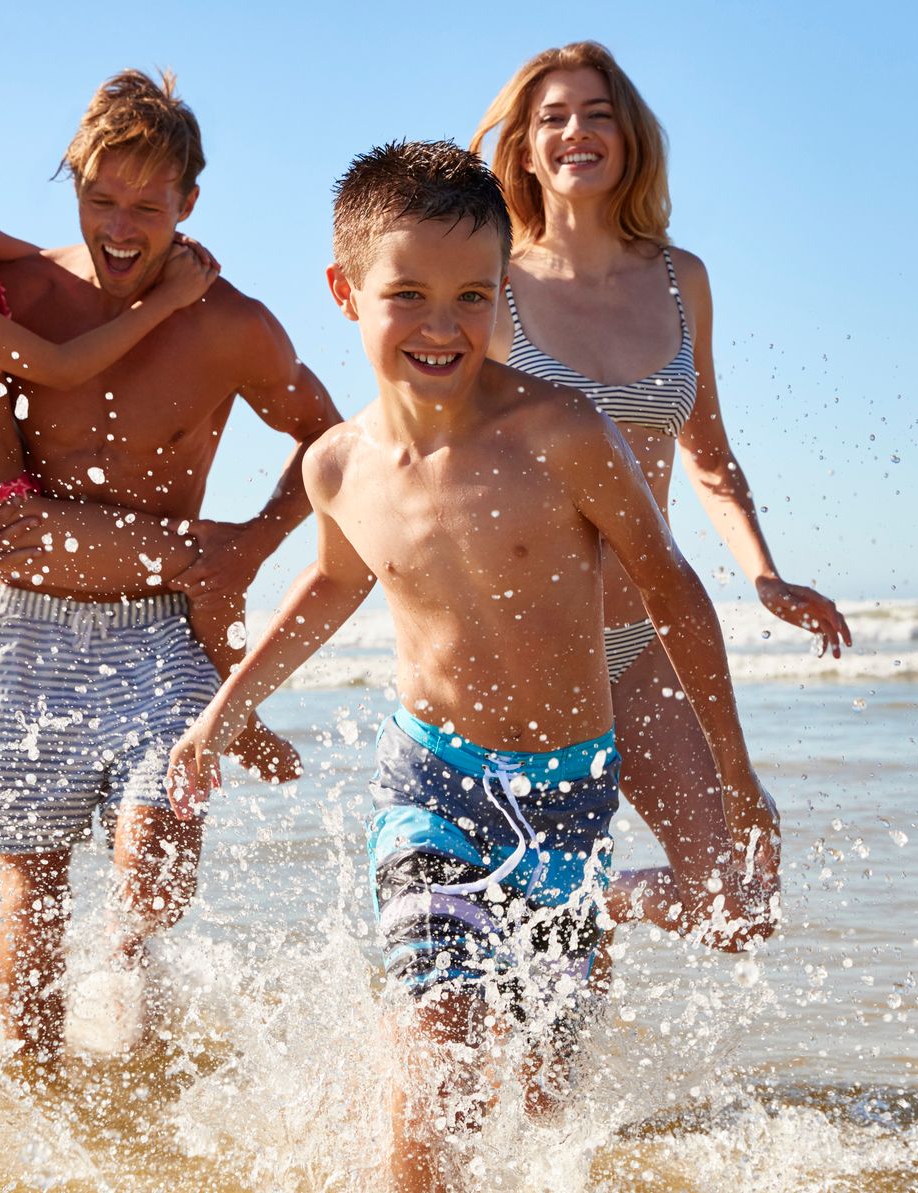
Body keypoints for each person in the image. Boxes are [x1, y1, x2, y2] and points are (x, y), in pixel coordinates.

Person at [165, 141, 777, 1193]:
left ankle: (596, 922)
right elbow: (330, 585)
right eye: (406, 294)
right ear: (344, 291)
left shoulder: (562, 429)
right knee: (438, 1073)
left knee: (545, 1111)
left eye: (472, 295)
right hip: (432, 793)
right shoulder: (337, 464)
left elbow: (673, 589)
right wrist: (220, 712)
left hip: (570, 796)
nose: (442, 325)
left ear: (504, 292)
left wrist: (736, 773)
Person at [0, 72, 341, 1060]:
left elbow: (330, 443)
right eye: (100, 199)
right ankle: (43, 1095)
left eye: (147, 204)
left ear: (189, 205)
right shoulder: (22, 288)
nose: (120, 227)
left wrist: (248, 546)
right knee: (33, 894)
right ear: (70, 186)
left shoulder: (230, 323)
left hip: (159, 627)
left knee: (151, 871)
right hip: (27, 629)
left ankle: (138, 1050)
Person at [471, 43, 852, 948]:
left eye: (596, 114)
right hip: (523, 642)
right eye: (552, 117)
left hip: (641, 636)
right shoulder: (490, 286)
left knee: (738, 900)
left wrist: (764, 575)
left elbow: (708, 455)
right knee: (516, 968)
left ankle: (591, 906)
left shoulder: (680, 281)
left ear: (629, 137)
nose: (576, 132)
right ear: (523, 148)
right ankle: (550, 926)